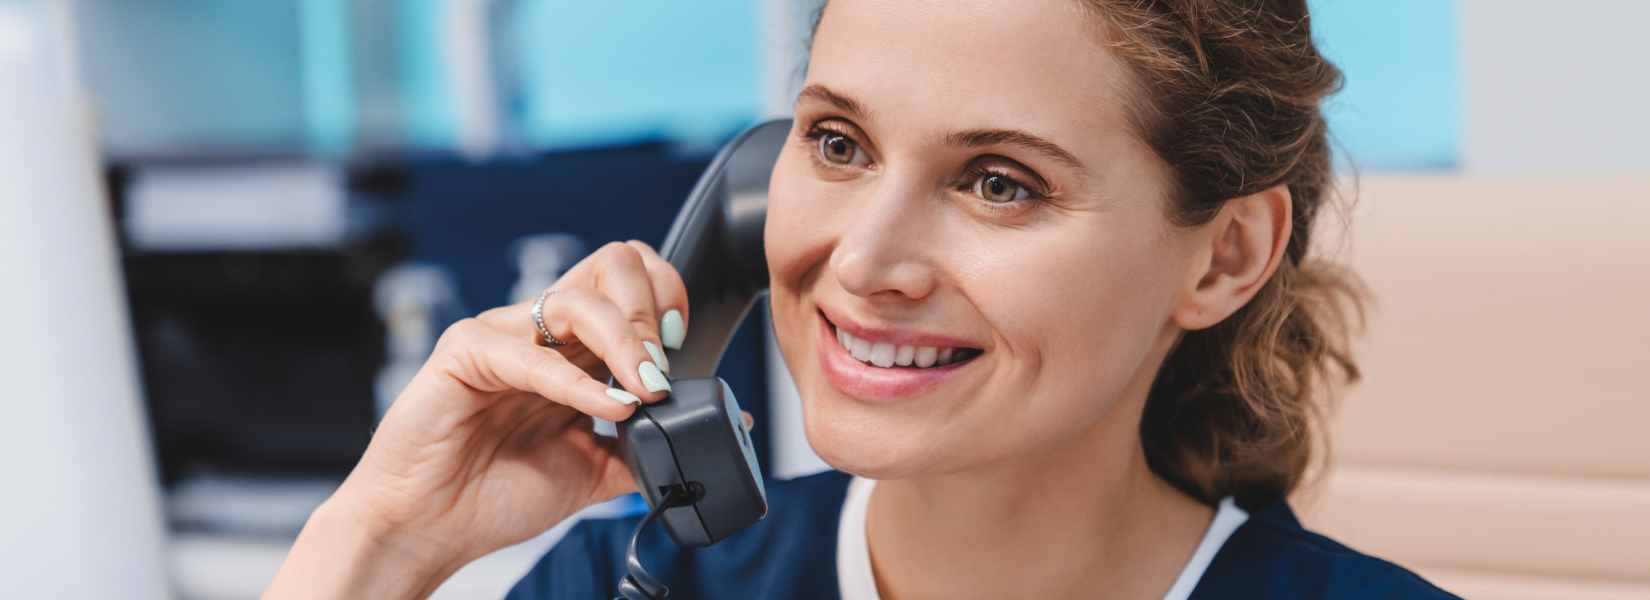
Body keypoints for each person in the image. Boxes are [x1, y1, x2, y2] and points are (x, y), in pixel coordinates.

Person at [265, 0, 1461, 598]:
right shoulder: (649, 580)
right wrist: (381, 541)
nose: (866, 259)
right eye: (837, 145)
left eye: (999, 183)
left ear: (1224, 258)